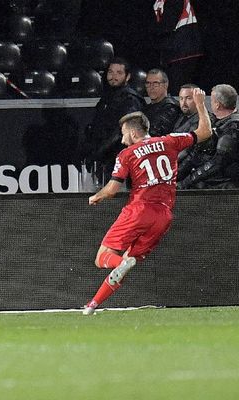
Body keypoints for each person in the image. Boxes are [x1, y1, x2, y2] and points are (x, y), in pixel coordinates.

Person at [83, 87, 212, 315]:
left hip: (139, 210)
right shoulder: (170, 141)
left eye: (123, 134)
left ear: (133, 133)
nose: (122, 140)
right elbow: (204, 132)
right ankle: (93, 305)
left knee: (103, 257)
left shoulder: (127, 154)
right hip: (163, 216)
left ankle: (117, 268)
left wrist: (97, 196)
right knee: (126, 263)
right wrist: (201, 105)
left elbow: (112, 189)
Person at [82, 57, 146, 184]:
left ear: (127, 77)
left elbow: (125, 132)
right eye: (111, 72)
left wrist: (100, 151)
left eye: (119, 73)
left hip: (120, 160)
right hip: (104, 160)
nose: (113, 76)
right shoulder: (107, 97)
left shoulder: (130, 99)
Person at [177, 84, 239, 189]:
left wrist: (186, 182)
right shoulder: (214, 122)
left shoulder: (232, 127)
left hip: (225, 188)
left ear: (217, 104)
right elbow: (195, 153)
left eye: (212, 100)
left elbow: (218, 162)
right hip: (207, 181)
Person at [175, 83, 215, 181]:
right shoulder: (180, 118)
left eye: (188, 98)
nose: (183, 103)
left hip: (190, 174)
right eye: (181, 98)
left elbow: (190, 153)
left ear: (198, 99)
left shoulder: (203, 121)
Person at [142, 68, 182, 137]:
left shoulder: (172, 108)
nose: (151, 87)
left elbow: (155, 133)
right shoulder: (147, 108)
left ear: (165, 85)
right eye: (148, 83)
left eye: (155, 83)